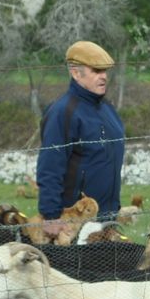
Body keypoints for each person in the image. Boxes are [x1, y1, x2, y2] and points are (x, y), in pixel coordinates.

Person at [34, 40, 125, 237]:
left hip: (106, 219)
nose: (103, 77)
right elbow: (50, 165)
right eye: (96, 71)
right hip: (74, 222)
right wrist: (50, 215)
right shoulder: (63, 112)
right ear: (76, 73)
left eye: (105, 71)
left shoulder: (107, 109)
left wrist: (113, 211)